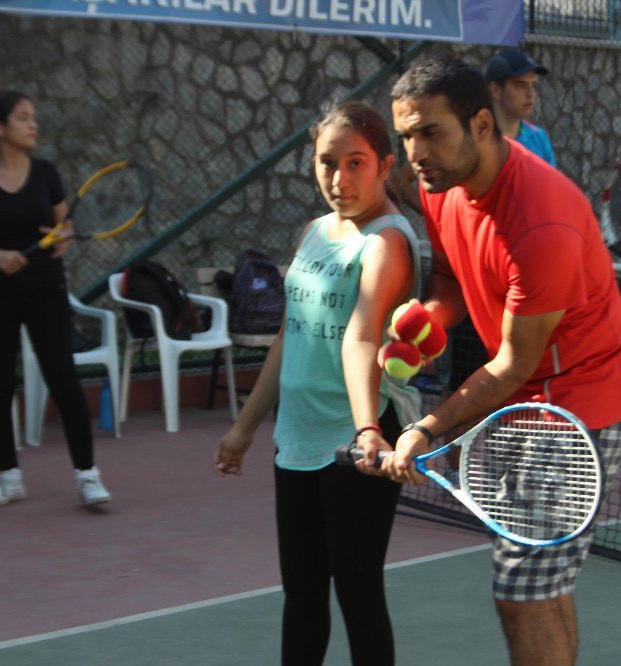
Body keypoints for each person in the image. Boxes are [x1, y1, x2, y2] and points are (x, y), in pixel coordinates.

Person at [383, 58, 621, 665]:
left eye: (430, 132)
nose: (416, 152)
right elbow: (450, 277)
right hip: (528, 398)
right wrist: (430, 319)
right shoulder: (441, 182)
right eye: (407, 136)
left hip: (582, 403)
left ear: (479, 124)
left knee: (521, 590)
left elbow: (511, 366)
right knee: (542, 585)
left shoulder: (541, 221)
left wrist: (425, 427)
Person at [212, 100, 420, 666]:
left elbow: (363, 336)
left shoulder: (386, 242)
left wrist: (368, 430)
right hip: (298, 438)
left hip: (358, 443)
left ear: (384, 165)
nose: (340, 178)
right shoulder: (313, 234)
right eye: (328, 162)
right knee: (301, 594)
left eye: (356, 163)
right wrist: (245, 426)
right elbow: (290, 338)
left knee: (357, 593)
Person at [0, 90, 111, 508]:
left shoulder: (46, 173)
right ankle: (9, 479)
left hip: (45, 291)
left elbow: (63, 229)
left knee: (62, 377)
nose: (33, 124)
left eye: (34, 117)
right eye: (23, 118)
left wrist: (62, 239)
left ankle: (88, 477)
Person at [485, 48, 556, 167]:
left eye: (533, 85)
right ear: (495, 90)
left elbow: (551, 185)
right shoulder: (476, 138)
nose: (530, 94)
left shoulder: (538, 138)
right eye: (520, 85)